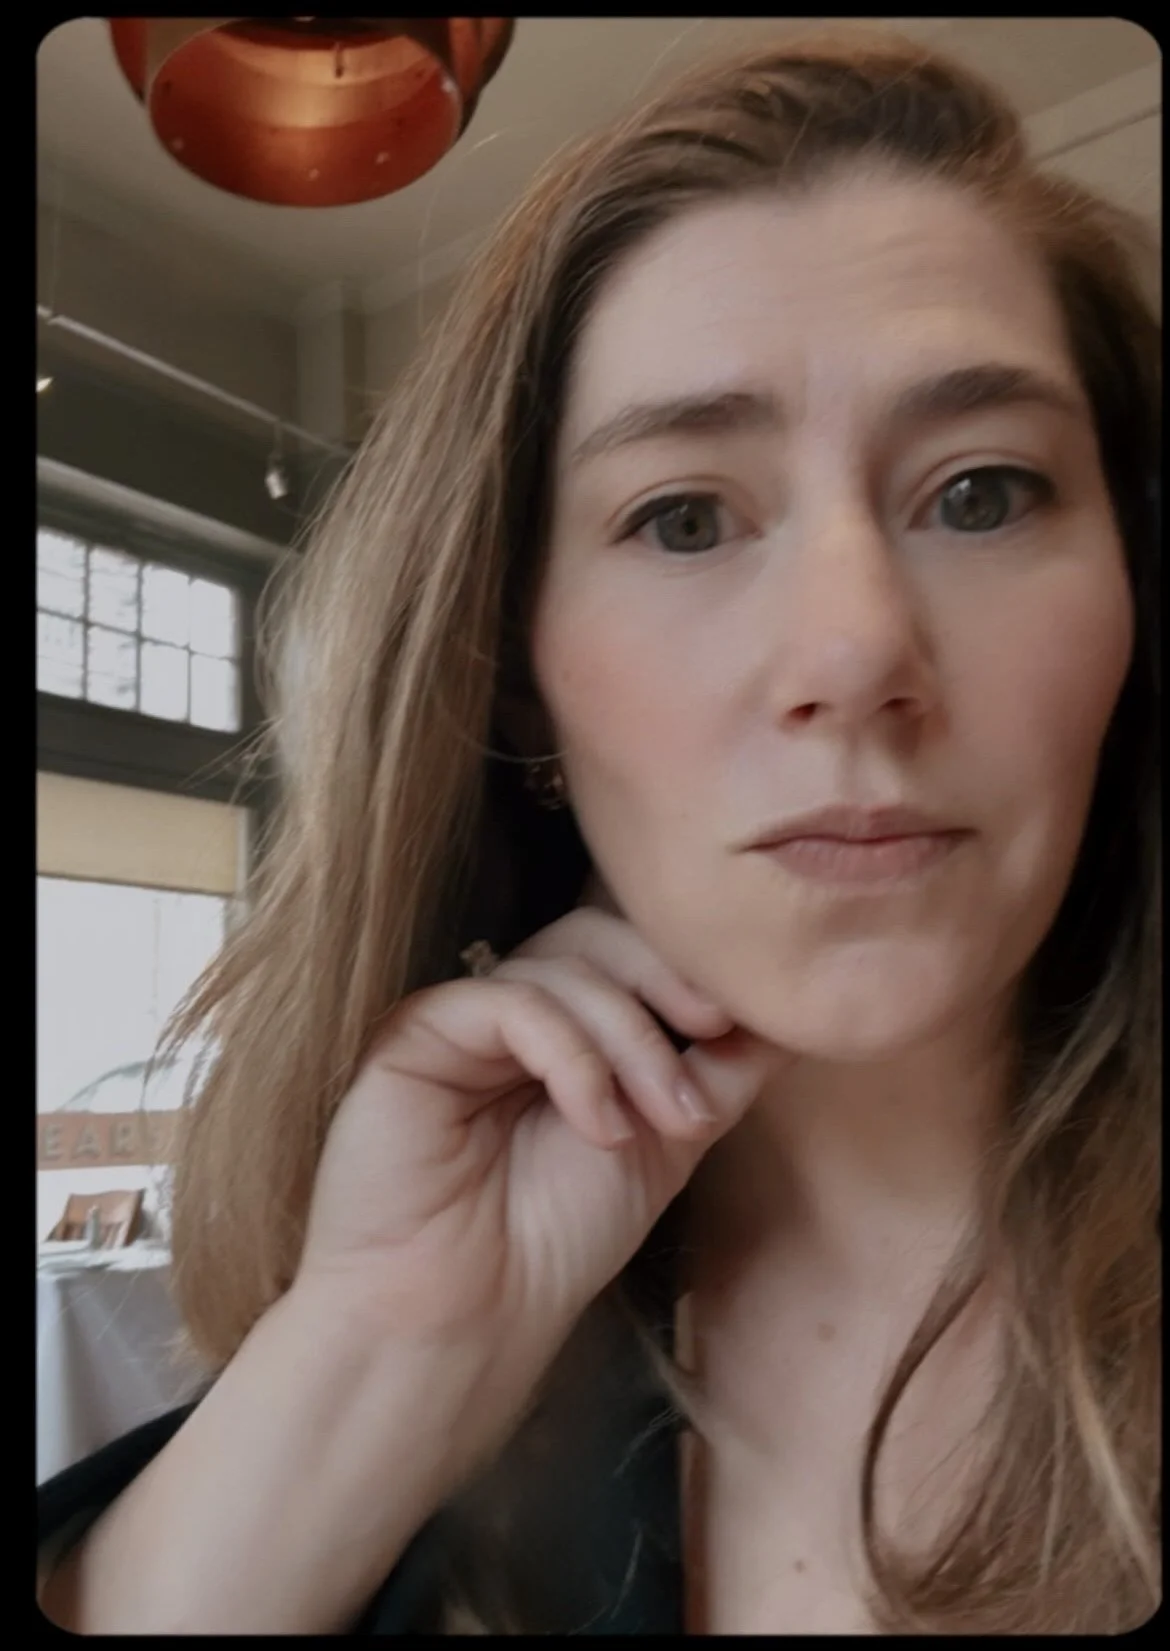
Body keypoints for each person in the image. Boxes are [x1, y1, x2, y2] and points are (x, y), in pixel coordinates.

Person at [37, 25, 1160, 1636]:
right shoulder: (434, 1346)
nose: (850, 649)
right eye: (684, 516)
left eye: (979, 491)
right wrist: (386, 1352)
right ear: (520, 689)